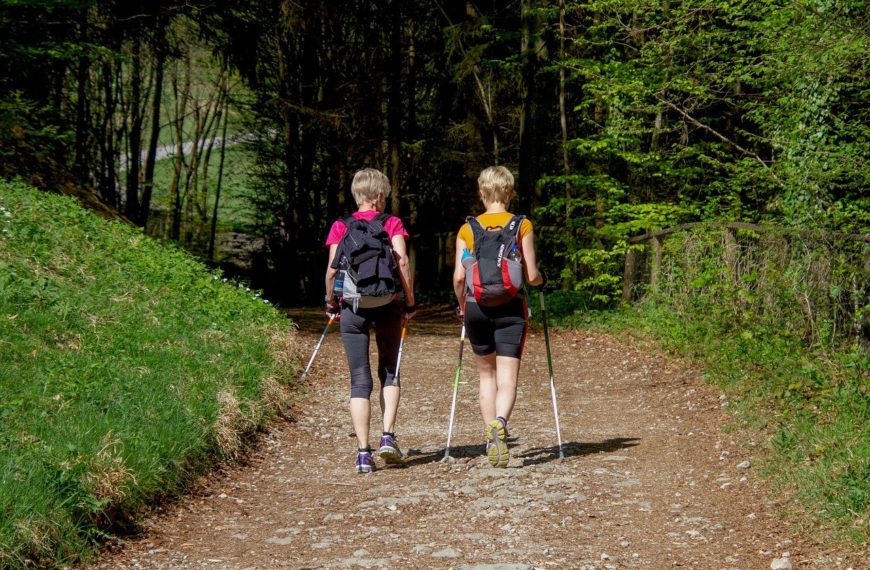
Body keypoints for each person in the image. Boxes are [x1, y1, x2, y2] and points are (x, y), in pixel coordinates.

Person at [324, 168, 416, 474]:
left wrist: (330, 302)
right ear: (379, 196)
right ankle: (387, 436)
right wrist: (410, 300)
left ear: (358, 195)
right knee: (390, 369)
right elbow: (401, 262)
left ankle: (363, 454)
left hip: (353, 307)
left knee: (359, 380)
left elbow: (332, 271)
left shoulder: (341, 226)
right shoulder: (392, 223)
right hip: (387, 303)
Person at [453, 165, 545, 468]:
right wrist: (542, 281)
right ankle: (501, 423)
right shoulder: (521, 225)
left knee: (486, 376)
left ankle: (490, 435)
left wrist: (462, 308)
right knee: (507, 378)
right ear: (510, 192)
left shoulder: (467, 229)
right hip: (510, 307)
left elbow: (458, 277)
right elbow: (530, 276)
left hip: (476, 306)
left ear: (482, 193)